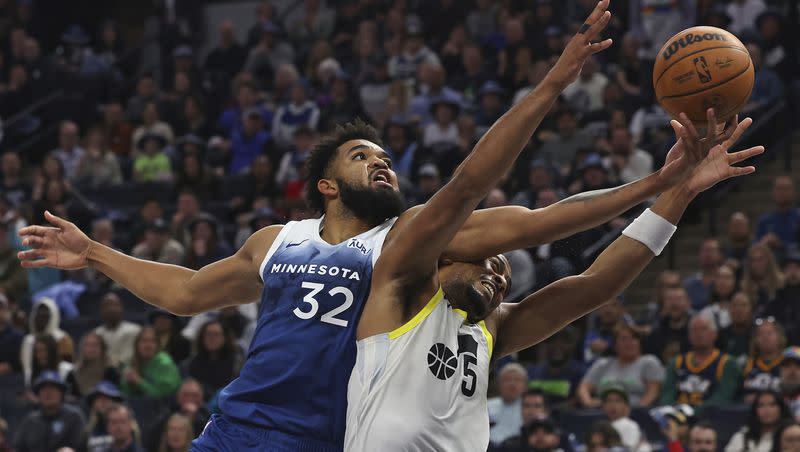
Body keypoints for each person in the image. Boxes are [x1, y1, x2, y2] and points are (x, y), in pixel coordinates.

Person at [16, 4, 748, 447]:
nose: (385, 163)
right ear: (327, 183)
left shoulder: (411, 248)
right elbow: (183, 294)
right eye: (366, 156)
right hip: (241, 427)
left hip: (333, 438)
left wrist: (663, 183)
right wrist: (97, 252)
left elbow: (539, 224)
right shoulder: (277, 240)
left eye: (389, 155)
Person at [345, 96, 760, 450]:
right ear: (445, 258)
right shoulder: (399, 285)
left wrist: (682, 192)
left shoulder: (492, 326)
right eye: (488, 261)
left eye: (505, 274)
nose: (499, 277)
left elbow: (596, 284)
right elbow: (468, 185)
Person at [659, 314, 740, 407]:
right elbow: (666, 395)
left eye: (704, 329)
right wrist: (675, 413)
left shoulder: (727, 363)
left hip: (711, 418)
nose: (698, 333)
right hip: (677, 417)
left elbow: (723, 398)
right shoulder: (676, 362)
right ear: (688, 335)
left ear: (715, 334)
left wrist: (692, 414)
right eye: (694, 330)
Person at [578, 322, 665, 408]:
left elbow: (653, 392)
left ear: (639, 343)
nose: (629, 342)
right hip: (601, 413)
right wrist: (588, 402)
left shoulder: (649, 362)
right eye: (624, 339)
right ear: (615, 345)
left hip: (636, 412)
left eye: (634, 338)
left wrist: (637, 410)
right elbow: (583, 387)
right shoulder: (603, 364)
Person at [13, 371, 86, 452]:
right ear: (38, 395)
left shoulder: (74, 417)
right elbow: (18, 448)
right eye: (44, 389)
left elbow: (81, 446)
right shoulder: (30, 420)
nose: (48, 393)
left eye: (53, 388)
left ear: (61, 393)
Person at [20, 297, 75, 379]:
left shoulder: (62, 338)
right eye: (39, 315)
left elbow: (67, 366)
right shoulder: (28, 340)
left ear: (53, 316)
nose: (41, 319)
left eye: (45, 316)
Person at [119, 326, 181, 398]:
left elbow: (164, 396)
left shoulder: (165, 364)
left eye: (152, 341)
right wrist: (127, 382)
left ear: (157, 345)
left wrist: (139, 381)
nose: (148, 345)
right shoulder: (132, 362)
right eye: (144, 341)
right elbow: (125, 394)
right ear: (137, 345)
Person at [725, 390, 791, 452]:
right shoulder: (741, 436)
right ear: (755, 410)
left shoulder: (791, 437)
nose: (766, 410)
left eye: (772, 404)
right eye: (761, 405)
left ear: (781, 409)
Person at [741, 319, 786, 401]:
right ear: (755, 339)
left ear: (780, 336)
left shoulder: (789, 362)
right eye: (760, 334)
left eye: (770, 333)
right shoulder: (747, 365)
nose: (765, 337)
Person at [66, 331, 120, 398]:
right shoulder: (73, 373)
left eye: (94, 345)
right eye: (87, 345)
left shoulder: (111, 372)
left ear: (102, 349)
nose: (91, 349)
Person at [600, 384, 652, 452]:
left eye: (617, 401)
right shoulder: (599, 427)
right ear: (603, 406)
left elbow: (628, 449)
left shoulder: (630, 425)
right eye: (608, 401)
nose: (612, 405)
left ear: (627, 407)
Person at [94, 292, 141, 366]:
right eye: (108, 305)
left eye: (116, 305)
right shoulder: (96, 334)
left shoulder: (135, 330)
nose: (112, 309)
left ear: (122, 308)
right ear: (101, 310)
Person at [488, 363, 529, 445]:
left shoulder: (530, 407)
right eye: (507, 379)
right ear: (499, 384)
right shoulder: (487, 406)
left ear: (525, 386)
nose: (512, 384)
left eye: (517, 380)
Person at [86, 381, 125, 452]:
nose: (103, 402)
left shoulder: (126, 427)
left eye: (107, 398)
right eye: (99, 399)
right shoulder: (89, 430)